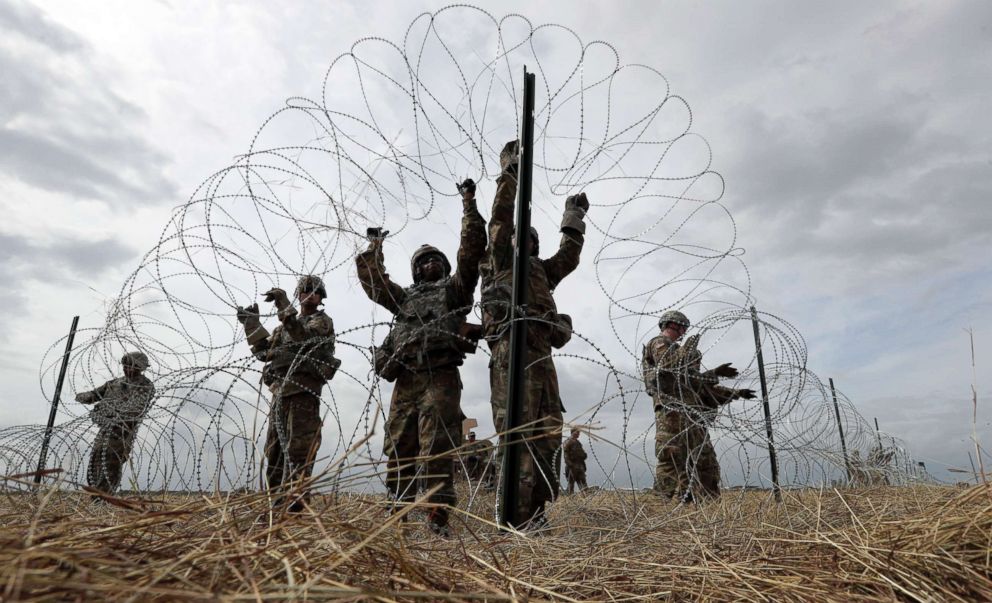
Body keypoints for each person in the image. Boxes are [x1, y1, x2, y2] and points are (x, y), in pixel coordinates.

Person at [356, 178, 486, 536]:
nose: (430, 263)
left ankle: (437, 516)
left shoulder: (455, 291)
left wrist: (469, 206)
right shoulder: (405, 299)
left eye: (435, 259)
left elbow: (471, 252)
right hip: (406, 379)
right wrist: (374, 246)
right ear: (415, 270)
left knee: (437, 447)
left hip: (440, 377)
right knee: (399, 447)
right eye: (423, 260)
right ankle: (397, 511)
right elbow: (374, 284)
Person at [480, 140, 589, 527]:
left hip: (543, 360)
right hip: (512, 356)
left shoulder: (542, 271)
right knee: (516, 434)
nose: (522, 241)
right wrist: (510, 173)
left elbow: (570, 255)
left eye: (530, 239)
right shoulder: (499, 266)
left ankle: (538, 513)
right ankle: (512, 515)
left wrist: (573, 216)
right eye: (517, 238)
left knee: (546, 437)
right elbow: (498, 220)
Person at [237, 275, 340, 511]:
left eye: (315, 291)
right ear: (300, 293)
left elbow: (302, 338)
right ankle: (275, 506)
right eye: (305, 289)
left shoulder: (322, 321)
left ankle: (294, 507)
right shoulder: (283, 328)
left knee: (298, 452)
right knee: (274, 451)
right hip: (280, 393)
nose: (310, 293)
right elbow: (264, 352)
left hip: (304, 394)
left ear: (321, 297)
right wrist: (251, 323)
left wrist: (283, 305)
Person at [642, 310, 755, 501]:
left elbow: (696, 385)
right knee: (672, 457)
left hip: (691, 413)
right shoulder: (659, 343)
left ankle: (703, 500)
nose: (684, 332)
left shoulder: (679, 350)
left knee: (703, 458)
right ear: (673, 324)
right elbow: (669, 369)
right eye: (683, 327)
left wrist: (733, 391)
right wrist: (689, 353)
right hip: (672, 412)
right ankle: (662, 504)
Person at [75, 351, 155, 495]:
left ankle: (105, 496)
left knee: (111, 463)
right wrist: (83, 396)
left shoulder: (145, 386)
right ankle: (95, 494)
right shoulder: (114, 383)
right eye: (125, 365)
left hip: (122, 432)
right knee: (96, 459)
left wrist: (108, 412)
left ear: (141, 368)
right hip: (105, 429)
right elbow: (95, 395)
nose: (127, 369)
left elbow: (135, 410)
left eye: (132, 366)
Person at [563, 428, 588, 494]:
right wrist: (570, 464)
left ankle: (586, 495)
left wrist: (584, 455)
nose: (578, 434)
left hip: (580, 465)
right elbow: (566, 455)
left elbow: (582, 453)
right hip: (572, 465)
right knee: (571, 482)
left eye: (579, 433)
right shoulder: (568, 442)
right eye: (577, 432)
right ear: (573, 432)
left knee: (583, 481)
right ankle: (570, 496)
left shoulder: (578, 443)